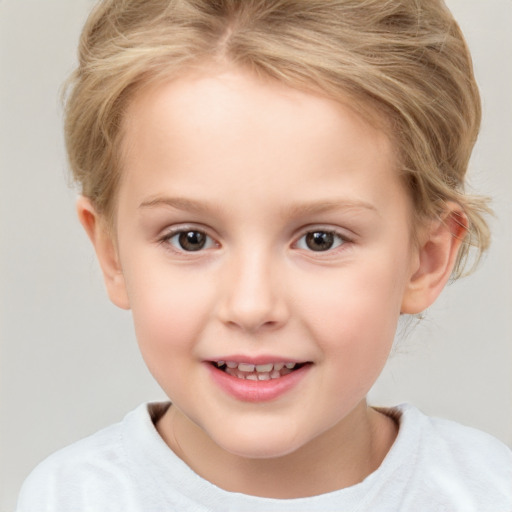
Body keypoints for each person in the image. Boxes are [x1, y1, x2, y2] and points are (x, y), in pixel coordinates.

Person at [16, 0, 512, 510]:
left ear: (425, 259)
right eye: (191, 238)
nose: (251, 306)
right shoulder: (68, 498)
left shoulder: (489, 493)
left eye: (321, 239)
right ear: (112, 253)